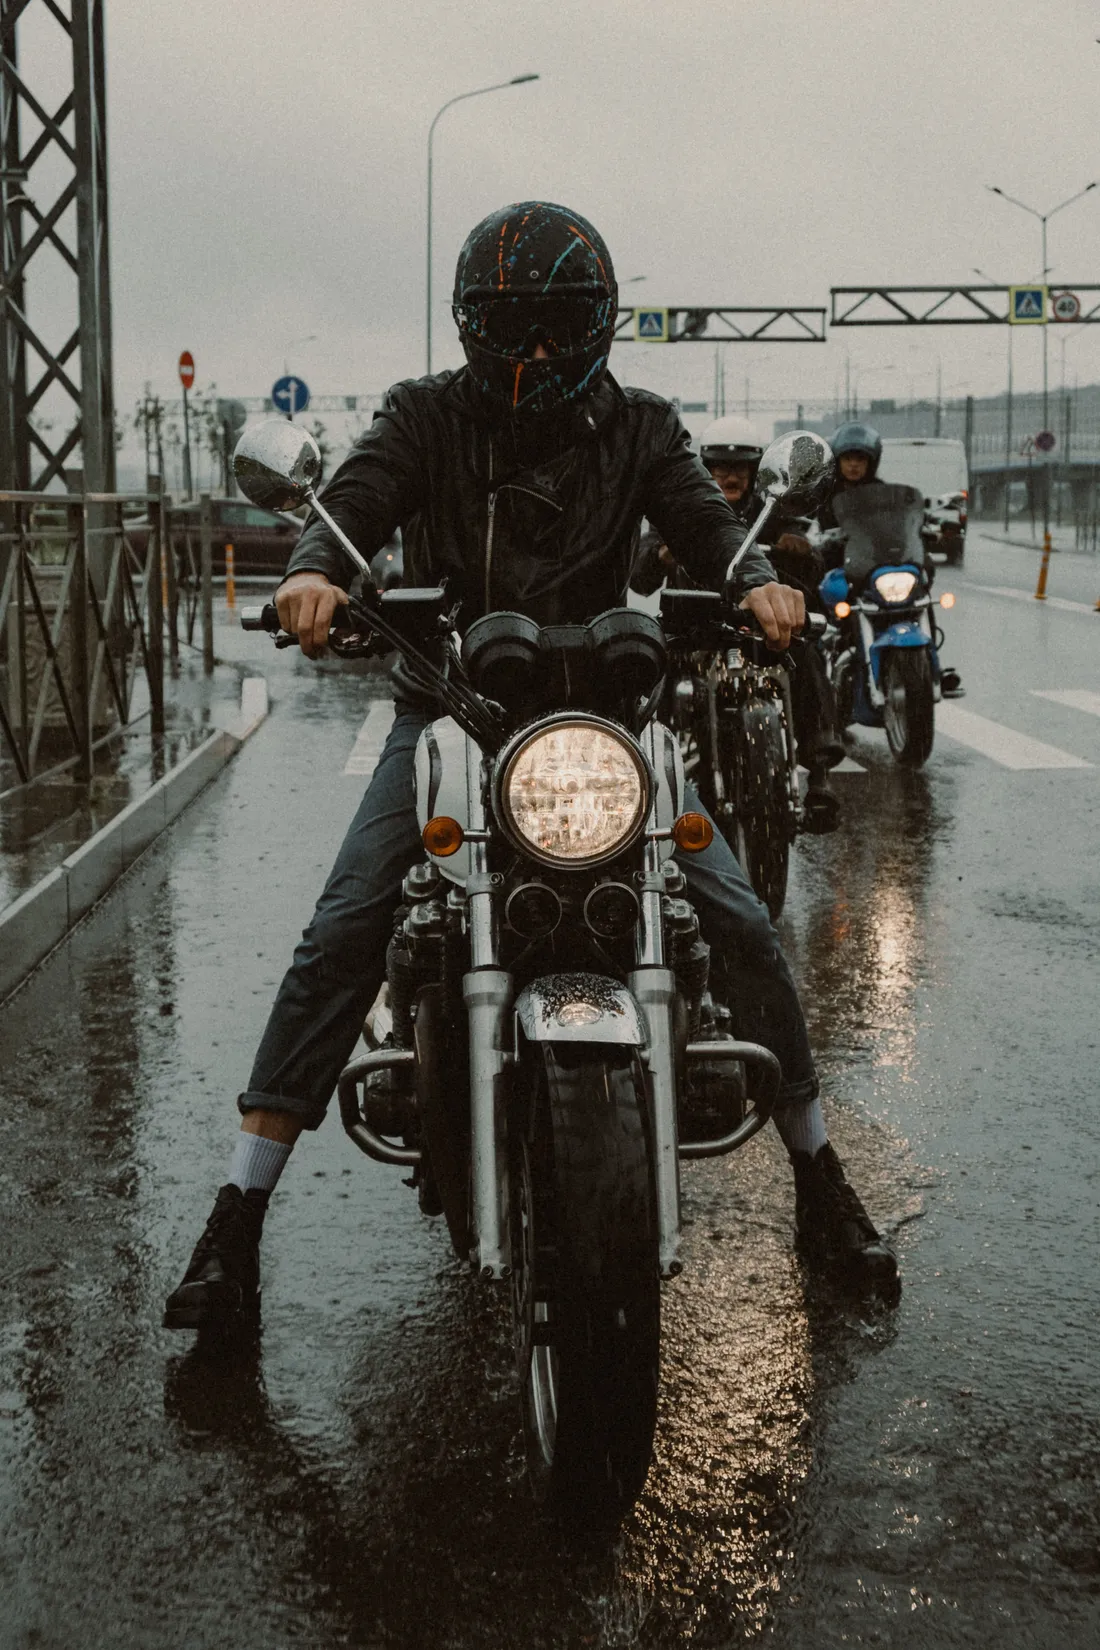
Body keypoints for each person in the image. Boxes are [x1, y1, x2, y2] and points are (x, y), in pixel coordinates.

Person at [164, 202, 897, 1333]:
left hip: (602, 719)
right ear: (476, 330)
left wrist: (761, 583)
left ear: (595, 324)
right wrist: (316, 574)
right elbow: (350, 513)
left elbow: (710, 529)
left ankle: (815, 1173)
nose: (540, 353)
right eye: (518, 330)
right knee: (344, 927)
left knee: (740, 922)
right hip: (452, 713)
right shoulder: (424, 419)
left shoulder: (642, 427)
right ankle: (237, 1219)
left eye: (560, 327)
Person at [633, 415, 844, 830]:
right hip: (694, 630)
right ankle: (653, 781)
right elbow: (639, 572)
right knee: (649, 676)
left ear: (755, 472)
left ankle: (819, 774)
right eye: (720, 468)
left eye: (741, 468)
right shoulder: (680, 512)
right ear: (705, 470)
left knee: (808, 657)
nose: (730, 476)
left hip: (758, 630)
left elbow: (815, 565)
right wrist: (659, 556)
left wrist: (800, 549)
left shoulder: (776, 509)